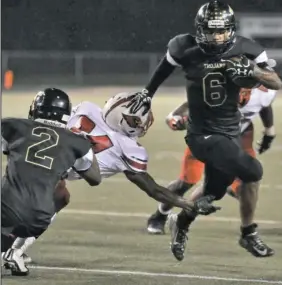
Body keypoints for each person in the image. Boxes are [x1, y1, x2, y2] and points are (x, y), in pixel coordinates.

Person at [136, 0, 282, 261]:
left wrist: (253, 70)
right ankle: (248, 233)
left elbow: (276, 82)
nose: (216, 38)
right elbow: (162, 70)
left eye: (222, 31)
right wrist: (147, 94)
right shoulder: (184, 47)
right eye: (210, 32)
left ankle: (180, 223)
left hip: (229, 133)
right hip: (201, 134)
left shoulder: (247, 49)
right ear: (199, 29)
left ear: (231, 29)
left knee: (213, 189)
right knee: (253, 170)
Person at [11, 92, 220, 266]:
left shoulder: (87, 108)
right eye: (134, 121)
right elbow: (152, 189)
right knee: (53, 198)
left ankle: (14, 250)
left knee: (56, 197)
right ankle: (13, 249)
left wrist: (186, 204)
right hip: (54, 169)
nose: (138, 127)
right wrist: (186, 204)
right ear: (118, 113)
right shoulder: (128, 148)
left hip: (41, 162)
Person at [147, 86, 277, 234]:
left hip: (237, 140)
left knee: (245, 189)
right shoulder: (220, 85)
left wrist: (269, 129)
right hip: (206, 138)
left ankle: (246, 230)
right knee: (186, 182)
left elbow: (264, 103)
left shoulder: (265, 89)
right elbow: (177, 114)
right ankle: (160, 215)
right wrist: (176, 121)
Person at [1, 88, 102, 276]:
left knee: (10, 187)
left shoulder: (12, 126)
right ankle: (14, 251)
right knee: (62, 194)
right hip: (39, 220)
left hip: (6, 211)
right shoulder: (76, 142)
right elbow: (95, 179)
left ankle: (7, 245)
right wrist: (88, 146)